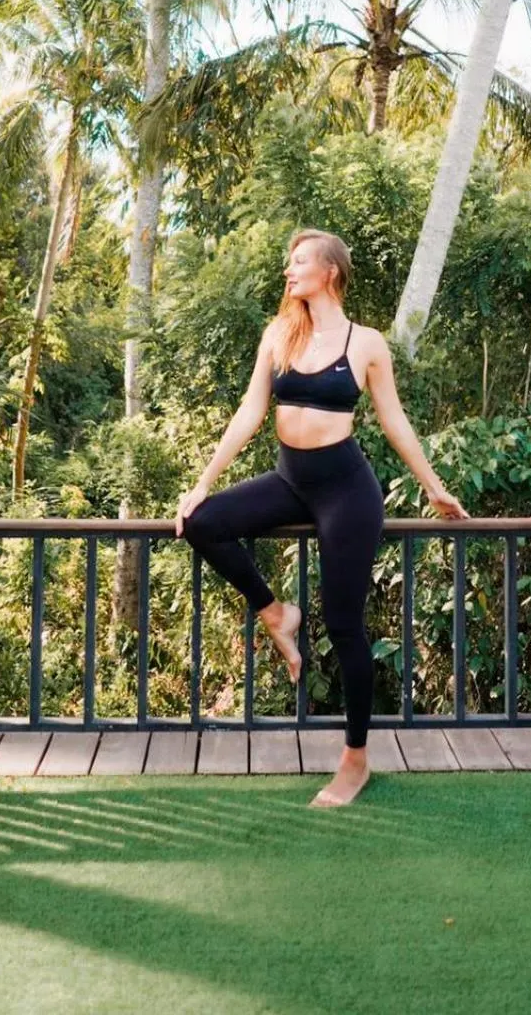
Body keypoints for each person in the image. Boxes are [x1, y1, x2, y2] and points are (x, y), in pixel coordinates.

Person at [175, 227, 468, 808]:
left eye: (300, 260)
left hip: (346, 491)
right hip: (289, 482)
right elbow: (250, 411)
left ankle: (355, 759)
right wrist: (202, 483)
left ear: (330, 270)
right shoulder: (280, 333)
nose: (289, 269)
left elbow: (394, 422)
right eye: (290, 262)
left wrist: (434, 488)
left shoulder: (366, 343)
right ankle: (277, 613)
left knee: (343, 626)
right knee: (202, 522)